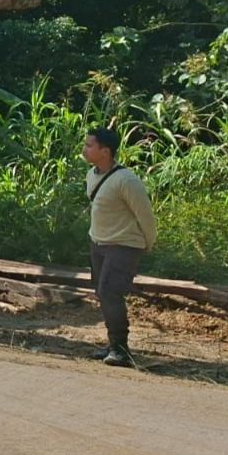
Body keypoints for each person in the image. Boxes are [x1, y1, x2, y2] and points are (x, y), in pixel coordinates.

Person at [82, 126, 157, 368]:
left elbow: (145, 215)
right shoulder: (92, 175)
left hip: (123, 245)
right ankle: (113, 345)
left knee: (110, 293)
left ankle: (120, 350)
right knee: (103, 294)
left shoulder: (126, 180)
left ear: (105, 151)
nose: (84, 149)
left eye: (89, 145)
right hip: (99, 243)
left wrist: (148, 243)